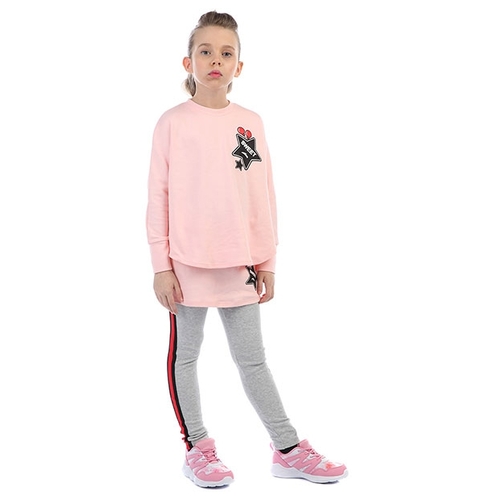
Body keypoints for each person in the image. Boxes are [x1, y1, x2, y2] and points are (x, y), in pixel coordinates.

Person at [146, 10, 348, 488]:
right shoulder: (172, 123)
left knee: (253, 360)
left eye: (226, 53)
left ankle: (288, 449)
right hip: (186, 265)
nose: (215, 60)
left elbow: (262, 194)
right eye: (205, 51)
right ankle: (197, 448)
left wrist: (267, 261)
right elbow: (158, 195)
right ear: (188, 62)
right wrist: (161, 265)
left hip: (240, 263)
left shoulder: (250, 123)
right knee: (185, 357)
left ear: (239, 66)